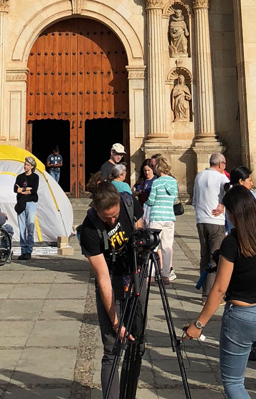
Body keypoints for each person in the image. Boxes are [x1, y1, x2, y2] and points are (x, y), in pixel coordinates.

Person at [183, 185, 256, 399]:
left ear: (234, 213)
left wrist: (198, 324)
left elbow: (220, 288)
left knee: (234, 382)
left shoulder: (232, 243)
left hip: (243, 315)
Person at [78, 180, 142, 399]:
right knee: (112, 348)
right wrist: (116, 322)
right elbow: (103, 278)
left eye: (116, 215)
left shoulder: (127, 203)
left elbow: (140, 227)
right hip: (112, 279)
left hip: (134, 278)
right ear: (97, 210)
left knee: (137, 341)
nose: (113, 220)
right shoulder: (89, 229)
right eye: (108, 218)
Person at [194, 151, 229, 297]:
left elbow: (195, 198)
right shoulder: (221, 177)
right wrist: (222, 204)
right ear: (221, 164)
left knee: (204, 255)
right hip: (215, 220)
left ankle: (204, 290)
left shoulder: (199, 175)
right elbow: (229, 191)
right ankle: (210, 294)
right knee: (215, 256)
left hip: (201, 219)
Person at [145, 154, 179, 283]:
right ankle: (166, 275)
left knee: (152, 246)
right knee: (167, 246)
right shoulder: (174, 182)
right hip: (169, 217)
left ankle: (151, 275)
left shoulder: (157, 182)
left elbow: (151, 200)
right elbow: (174, 198)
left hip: (156, 217)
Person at [14, 156, 40, 261]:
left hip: (30, 203)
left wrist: (22, 189)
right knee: (21, 228)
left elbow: (33, 190)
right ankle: (23, 250)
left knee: (30, 227)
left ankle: (29, 250)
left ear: (32, 166)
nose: (25, 166)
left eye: (28, 165)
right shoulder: (20, 177)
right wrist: (24, 189)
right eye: (25, 164)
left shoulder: (35, 177)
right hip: (21, 203)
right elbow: (15, 189)